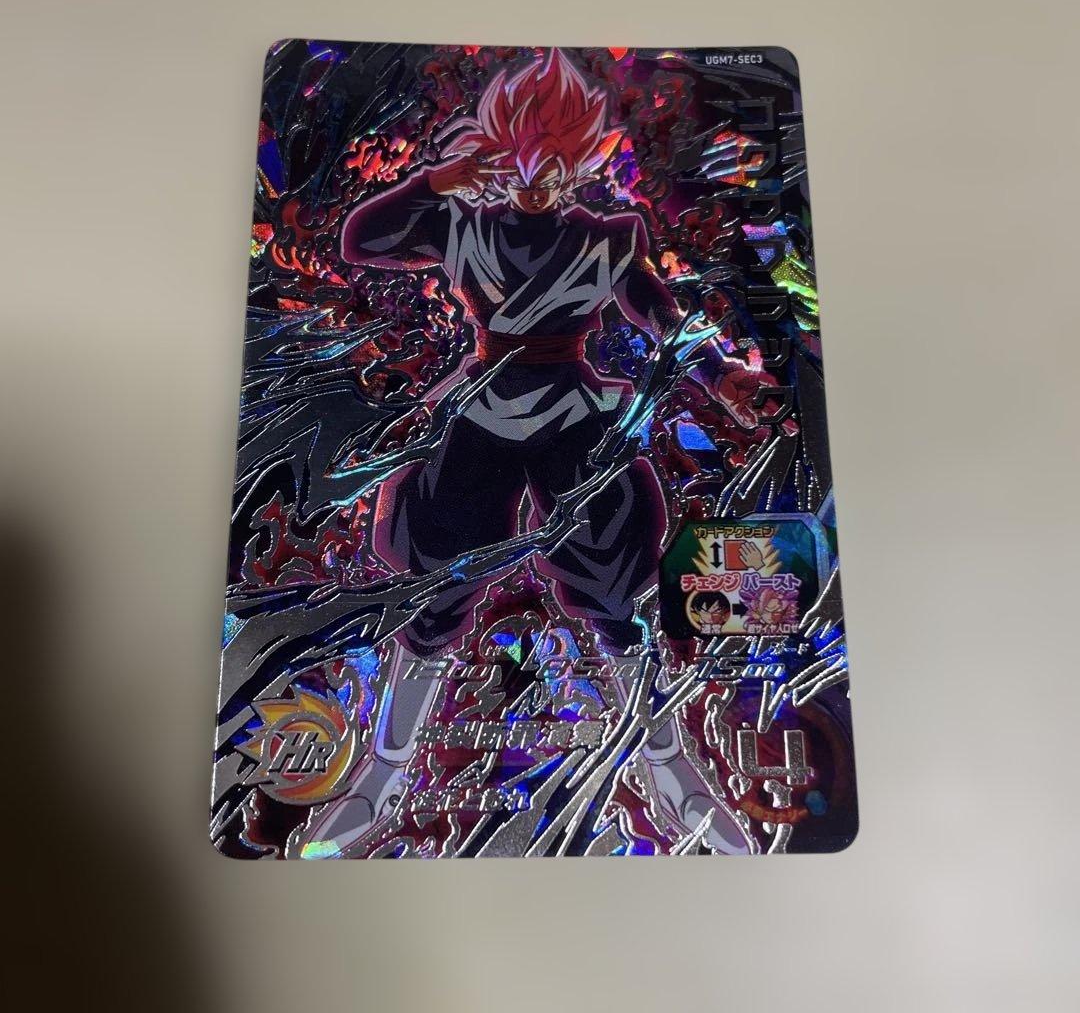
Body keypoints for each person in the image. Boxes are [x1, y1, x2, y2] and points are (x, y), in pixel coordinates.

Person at [295, 50, 762, 857]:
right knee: (435, 584)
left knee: (618, 590)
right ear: (500, 149)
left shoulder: (606, 238)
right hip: (479, 409)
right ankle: (384, 775)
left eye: (558, 161)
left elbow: (662, 316)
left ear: (581, 161)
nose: (539, 179)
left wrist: (721, 375)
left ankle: (668, 766)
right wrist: (438, 181)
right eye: (525, 157)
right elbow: (360, 240)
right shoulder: (459, 222)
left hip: (573, 411)